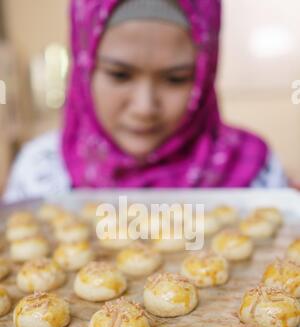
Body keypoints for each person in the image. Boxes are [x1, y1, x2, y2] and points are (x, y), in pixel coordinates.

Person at [4, 0, 287, 202]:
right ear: (83, 69)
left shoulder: (254, 171)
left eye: (176, 79)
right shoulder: (39, 174)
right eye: (120, 75)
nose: (145, 107)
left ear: (206, 75)